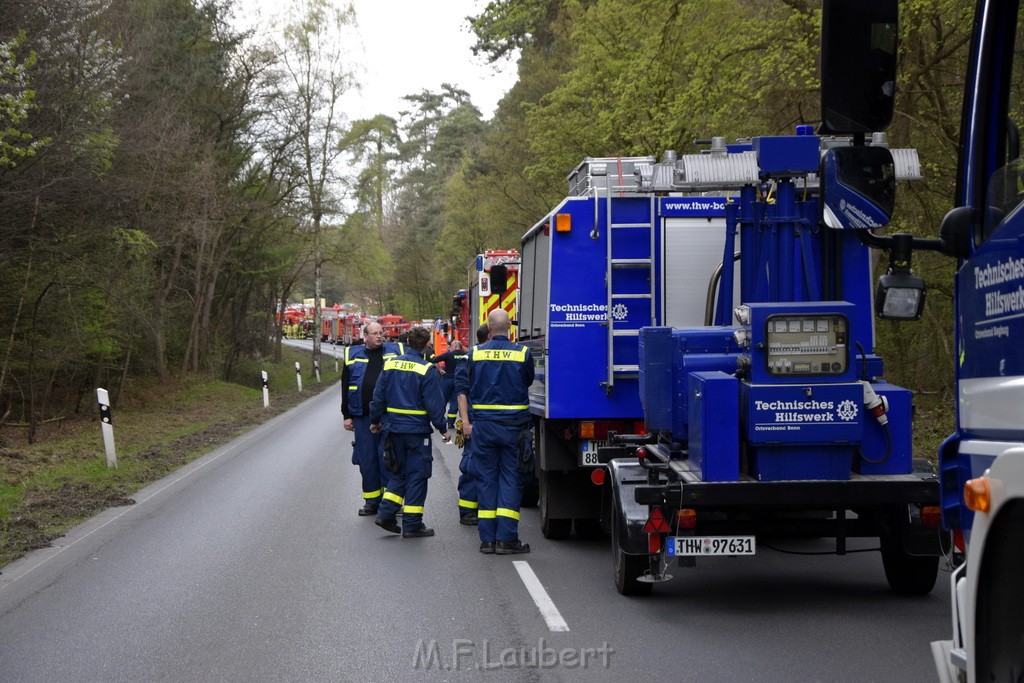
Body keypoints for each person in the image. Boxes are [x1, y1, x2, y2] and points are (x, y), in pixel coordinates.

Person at [456, 309, 535, 555]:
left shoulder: (474, 354)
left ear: (489, 330)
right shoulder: (523, 353)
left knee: (486, 480)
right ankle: (507, 540)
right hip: (514, 429)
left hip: (483, 429)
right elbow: (528, 381)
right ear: (510, 329)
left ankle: (487, 540)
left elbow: (462, 390)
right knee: (511, 480)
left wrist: (466, 423)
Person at [369, 326, 450, 538]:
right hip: (416, 433)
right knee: (417, 475)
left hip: (393, 430)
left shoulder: (390, 364)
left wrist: (375, 421)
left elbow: (378, 398)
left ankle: (386, 513)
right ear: (425, 345)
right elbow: (434, 405)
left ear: (406, 343)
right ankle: (412, 525)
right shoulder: (427, 370)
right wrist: (443, 429)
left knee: (398, 472)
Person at [341, 321, 404, 516]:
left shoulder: (395, 351)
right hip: (363, 416)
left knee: (388, 457)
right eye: (375, 334)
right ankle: (372, 501)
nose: (379, 336)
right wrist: (347, 415)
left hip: (388, 414)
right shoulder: (352, 355)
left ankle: (391, 501)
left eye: (381, 333)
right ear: (365, 336)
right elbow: (345, 386)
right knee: (367, 459)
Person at [429, 339, 466, 427]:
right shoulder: (464, 355)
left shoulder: (448, 354)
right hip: (458, 381)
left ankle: (439, 421)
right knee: (454, 402)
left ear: (454, 347)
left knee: (442, 401)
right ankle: (450, 423)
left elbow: (434, 360)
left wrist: (440, 370)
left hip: (446, 380)